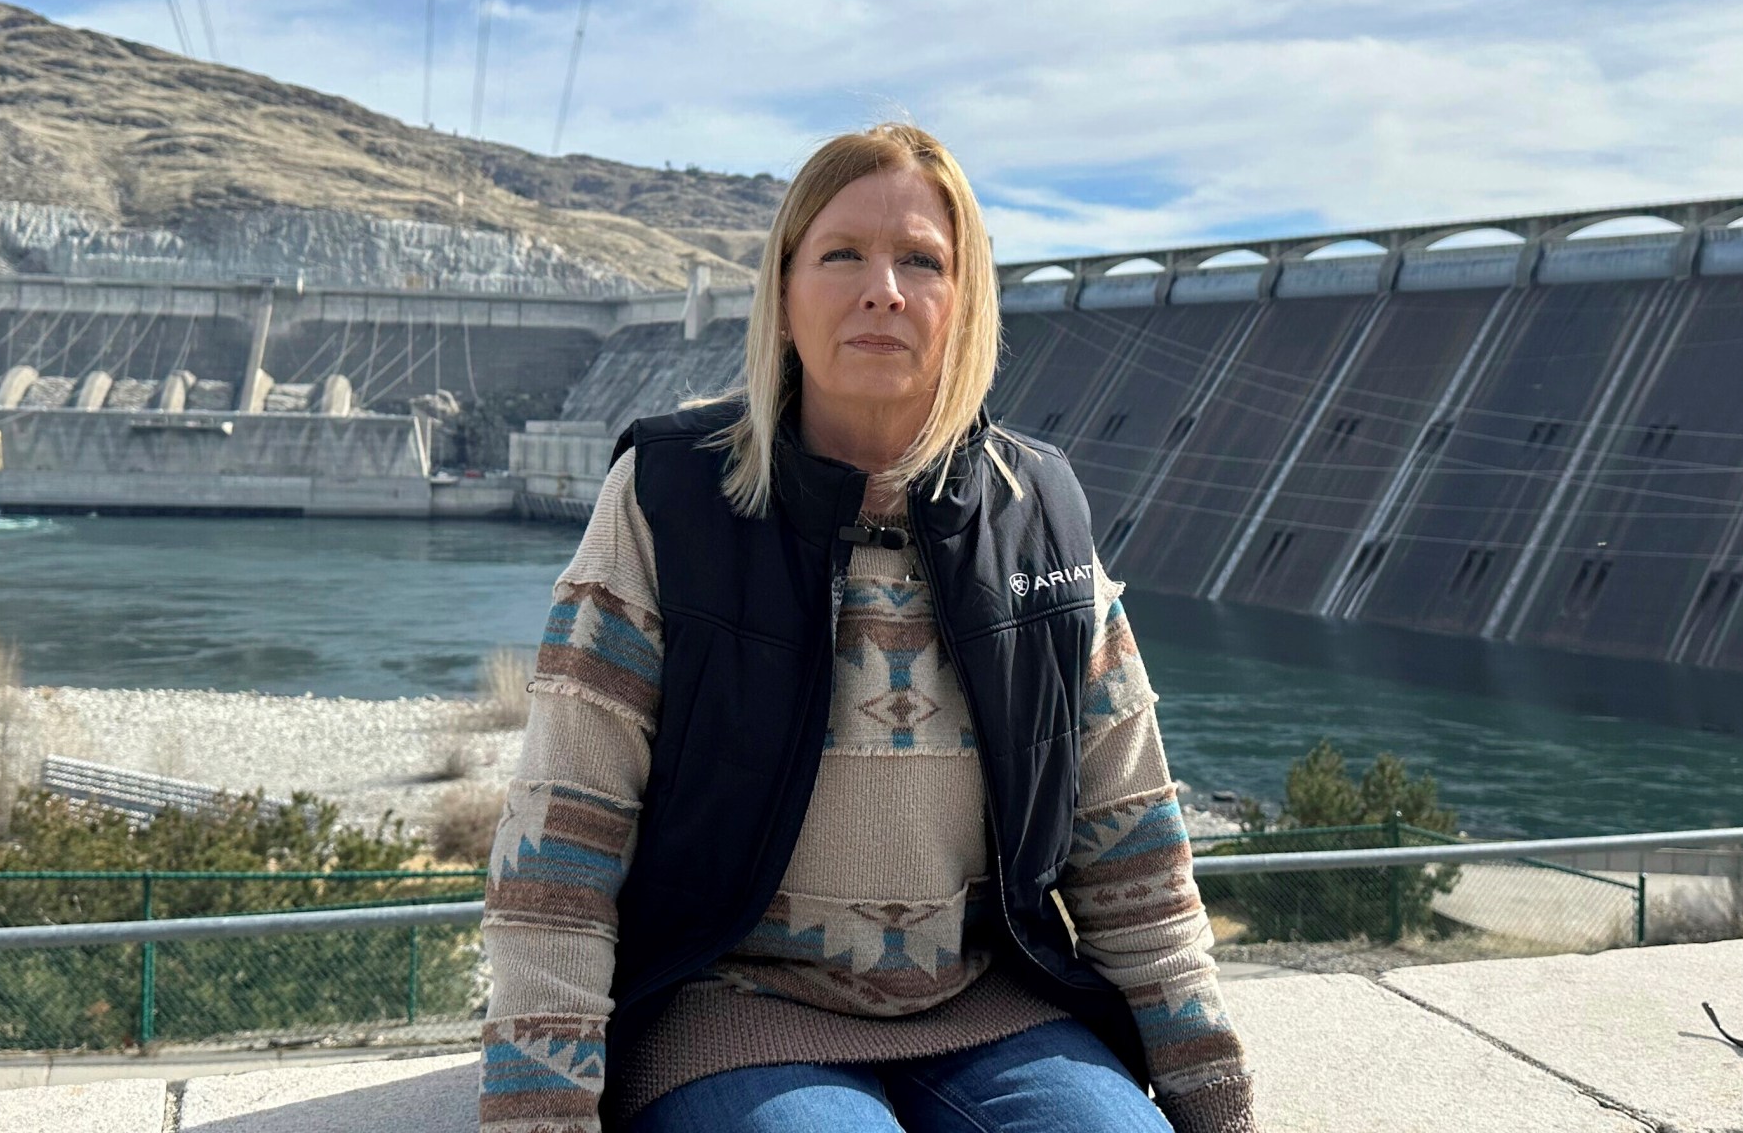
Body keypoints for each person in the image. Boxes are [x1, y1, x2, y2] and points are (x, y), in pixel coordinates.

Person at [477, 124, 1254, 1133]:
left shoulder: (1037, 510)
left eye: (921, 261)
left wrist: (1211, 1101)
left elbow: (1130, 844)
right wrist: (544, 1114)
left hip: (993, 1004)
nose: (881, 288)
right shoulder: (670, 499)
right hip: (728, 1011)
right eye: (841, 254)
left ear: (963, 302)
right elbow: (561, 844)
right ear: (785, 292)